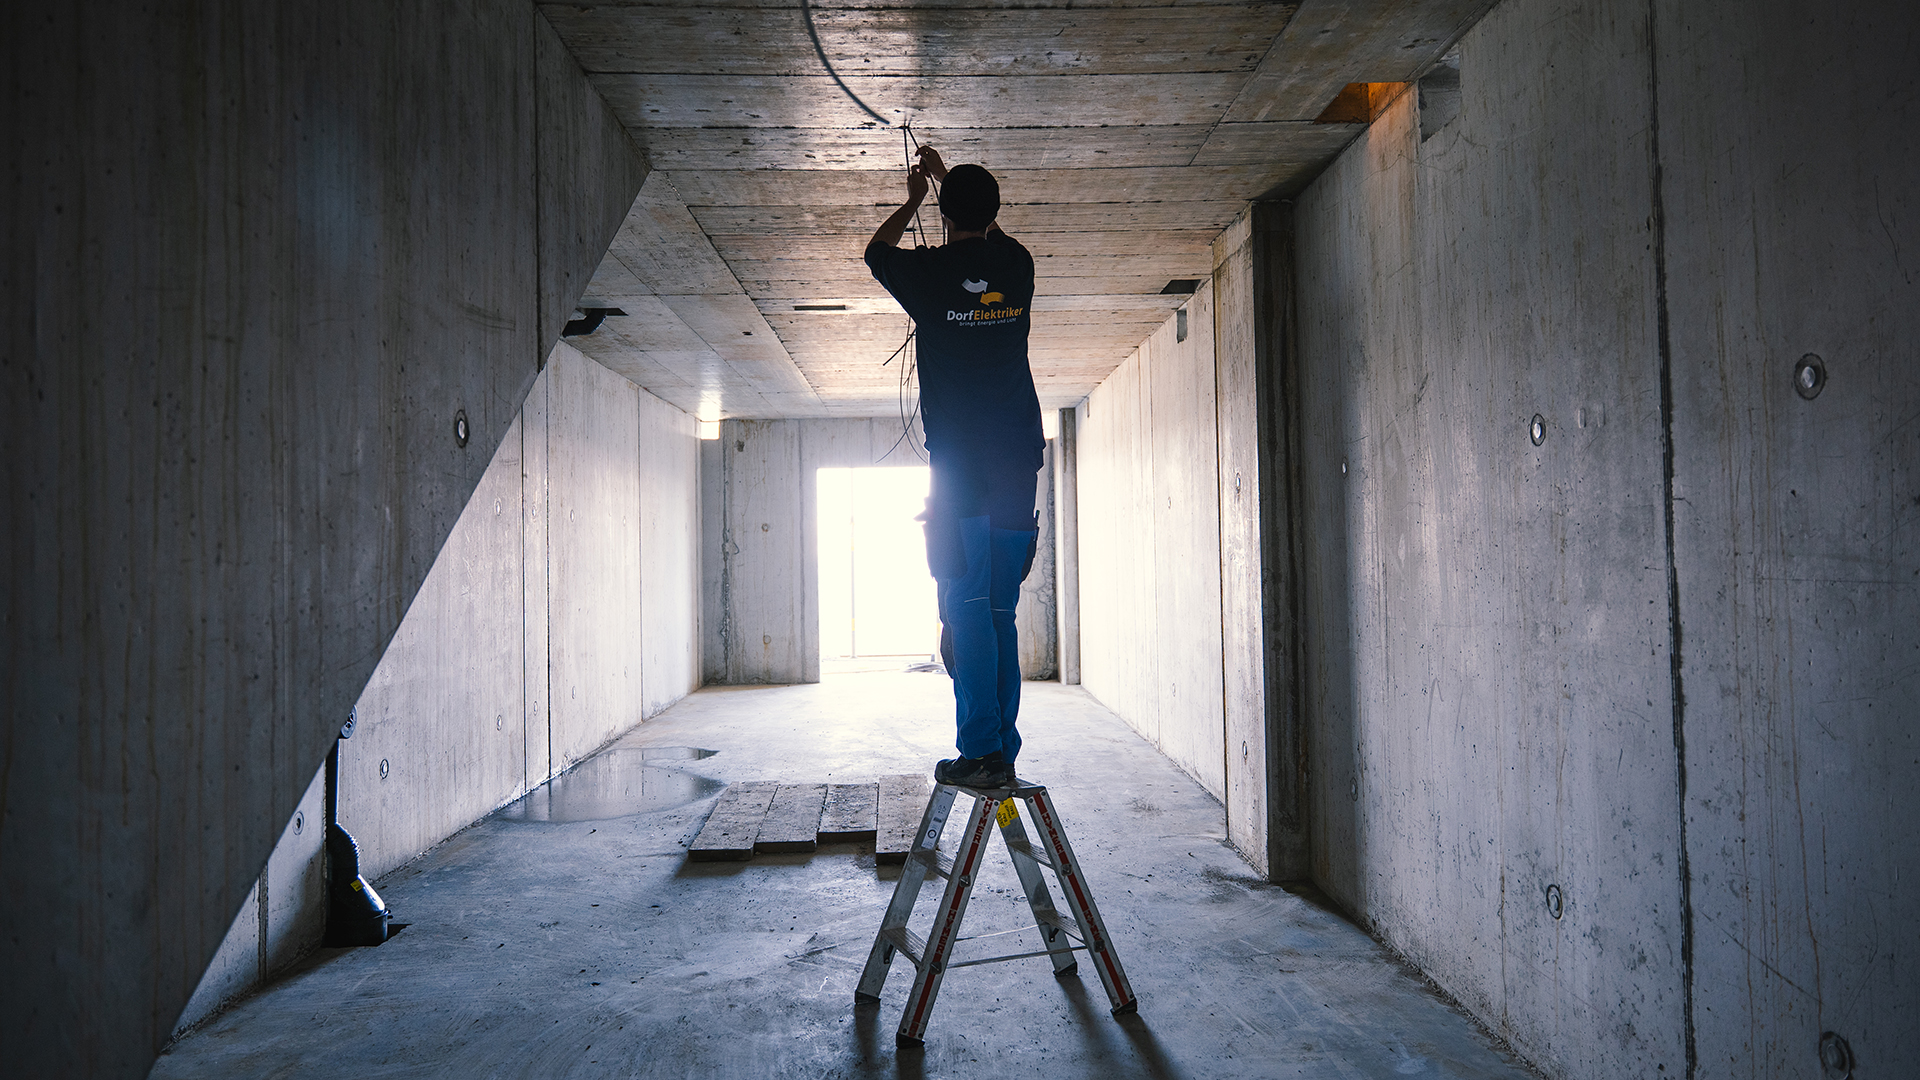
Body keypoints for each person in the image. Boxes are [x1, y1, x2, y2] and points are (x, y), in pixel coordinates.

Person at [865, 146, 1043, 790]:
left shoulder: (931, 275)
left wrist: (915, 195)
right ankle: (1000, 752)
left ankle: (981, 752)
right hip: (1017, 459)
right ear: (994, 213)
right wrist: (945, 186)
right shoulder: (1017, 265)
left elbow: (876, 251)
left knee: (965, 605)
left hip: (963, 465)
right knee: (998, 611)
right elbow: (991, 233)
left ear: (945, 215)